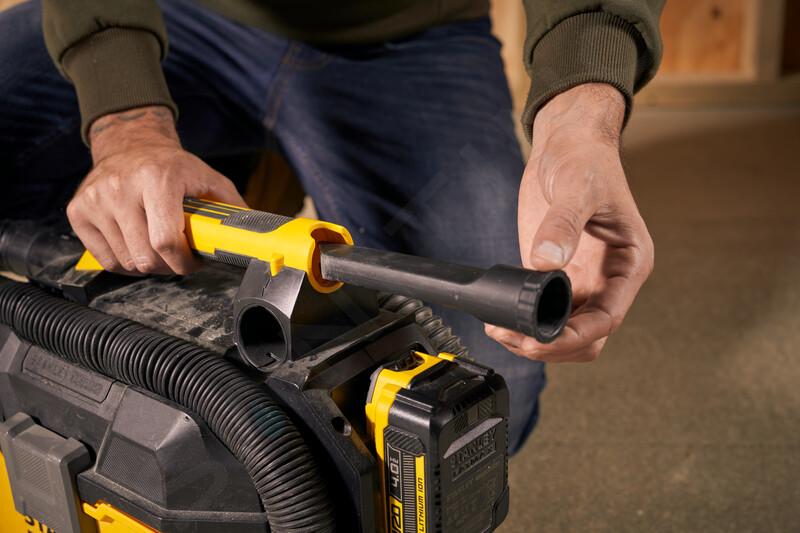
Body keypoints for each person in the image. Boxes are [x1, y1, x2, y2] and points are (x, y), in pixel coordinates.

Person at [1, 0, 662, 454]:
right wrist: (125, 120)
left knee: (484, 389)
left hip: (411, 38)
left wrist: (580, 118)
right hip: (177, 14)